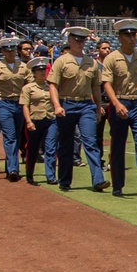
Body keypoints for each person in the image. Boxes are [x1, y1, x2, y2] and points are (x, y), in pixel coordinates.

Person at [48, 26, 107, 191]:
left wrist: (97, 107)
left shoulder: (91, 63)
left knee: (90, 141)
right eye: (76, 39)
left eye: (82, 40)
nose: (80, 43)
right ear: (69, 41)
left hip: (86, 105)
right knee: (65, 144)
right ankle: (65, 180)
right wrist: (57, 105)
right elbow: (53, 85)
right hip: (66, 104)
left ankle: (98, 180)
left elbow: (96, 87)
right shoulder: (61, 61)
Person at [100, 18, 137, 196]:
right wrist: (116, 103)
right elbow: (106, 83)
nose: (131, 38)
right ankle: (117, 185)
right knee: (118, 146)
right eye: (127, 35)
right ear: (120, 37)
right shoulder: (112, 58)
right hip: (119, 102)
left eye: (133, 34)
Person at [0, 40, 32, 181]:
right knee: (10, 136)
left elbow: (30, 86)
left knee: (17, 136)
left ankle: (10, 167)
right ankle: (13, 169)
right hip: (3, 103)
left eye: (12, 50)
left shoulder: (23, 67)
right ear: (2, 52)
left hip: (19, 103)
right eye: (7, 50)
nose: (10, 52)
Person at [21, 55, 57, 184]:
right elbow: (25, 105)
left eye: (44, 69)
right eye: (39, 70)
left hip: (50, 119)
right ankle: (30, 173)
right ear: (34, 72)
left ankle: (51, 176)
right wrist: (28, 121)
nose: (43, 72)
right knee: (33, 148)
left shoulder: (52, 87)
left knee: (51, 148)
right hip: (35, 120)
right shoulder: (28, 88)